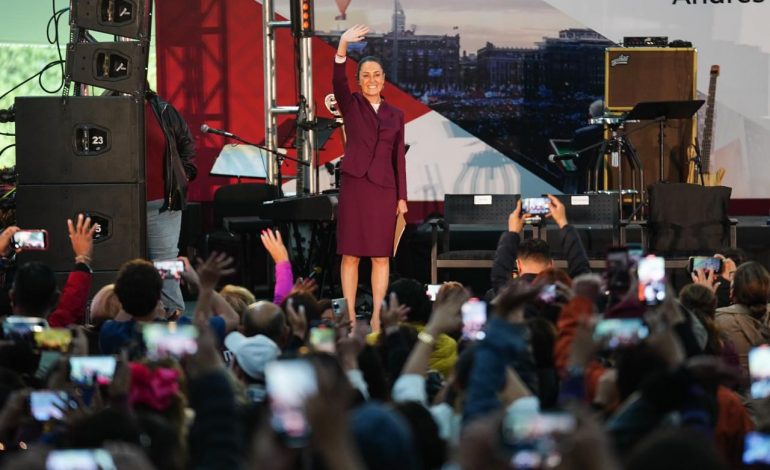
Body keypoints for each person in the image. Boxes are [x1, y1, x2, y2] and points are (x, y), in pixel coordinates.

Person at [333, 24, 408, 332]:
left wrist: (402, 197)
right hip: (355, 187)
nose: (372, 80)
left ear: (384, 79)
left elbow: (398, 159)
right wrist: (342, 45)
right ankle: (350, 317)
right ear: (358, 80)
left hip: (384, 190)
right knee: (350, 255)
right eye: (365, 75)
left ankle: (377, 317)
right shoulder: (350, 103)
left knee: (380, 256)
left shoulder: (396, 114)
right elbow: (336, 80)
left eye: (376, 75)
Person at [144, 86, 197, 316]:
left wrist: (182, 176)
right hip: (120, 205)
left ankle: (174, 319)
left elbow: (187, 147)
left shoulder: (163, 109)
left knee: (166, 264)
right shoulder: (105, 108)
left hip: (162, 204)